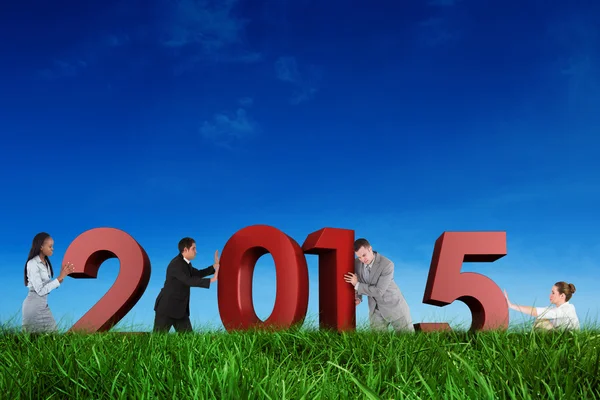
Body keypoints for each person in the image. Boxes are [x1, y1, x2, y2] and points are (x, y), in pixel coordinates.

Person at [344, 238, 414, 332]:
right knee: (377, 343)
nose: (362, 259)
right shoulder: (357, 263)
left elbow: (378, 291)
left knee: (408, 342)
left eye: (364, 255)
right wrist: (358, 297)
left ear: (370, 249)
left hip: (394, 307)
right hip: (375, 309)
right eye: (359, 257)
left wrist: (357, 284)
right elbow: (357, 280)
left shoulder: (387, 264)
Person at [153, 237, 220, 332]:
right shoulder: (176, 264)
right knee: (158, 341)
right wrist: (212, 280)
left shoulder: (186, 263)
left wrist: (214, 267)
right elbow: (188, 280)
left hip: (180, 310)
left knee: (189, 340)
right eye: (193, 248)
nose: (196, 251)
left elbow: (198, 273)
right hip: (166, 309)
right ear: (185, 249)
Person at [22, 232, 75, 333]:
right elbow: (41, 290)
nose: (52, 248)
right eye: (50, 246)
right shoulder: (32, 263)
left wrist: (62, 276)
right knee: (32, 339)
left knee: (53, 337)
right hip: (33, 307)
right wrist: (59, 278)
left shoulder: (46, 263)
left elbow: (48, 284)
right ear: (41, 247)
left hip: (43, 305)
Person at [504, 282, 580, 331]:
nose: (550, 295)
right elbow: (540, 311)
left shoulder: (568, 309)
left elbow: (536, 312)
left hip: (569, 342)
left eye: (553, 293)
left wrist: (511, 305)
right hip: (561, 340)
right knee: (541, 318)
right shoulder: (556, 309)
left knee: (541, 320)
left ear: (562, 296)